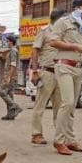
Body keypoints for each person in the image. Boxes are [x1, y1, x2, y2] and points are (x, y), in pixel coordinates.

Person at [48, 0, 82, 155]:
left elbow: (81, 47)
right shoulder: (63, 22)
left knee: (72, 107)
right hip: (64, 65)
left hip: (78, 67)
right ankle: (58, 141)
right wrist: (73, 46)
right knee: (67, 102)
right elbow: (53, 42)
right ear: (76, 8)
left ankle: (70, 140)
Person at [30, 8, 64, 144]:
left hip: (61, 73)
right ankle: (36, 134)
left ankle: (60, 136)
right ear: (57, 19)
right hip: (46, 73)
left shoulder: (63, 34)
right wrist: (35, 71)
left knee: (60, 107)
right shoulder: (44, 31)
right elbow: (35, 51)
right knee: (40, 105)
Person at [0, 35, 22, 120]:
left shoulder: (13, 51)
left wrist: (9, 77)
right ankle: (10, 115)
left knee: (2, 92)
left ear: (11, 42)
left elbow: (13, 65)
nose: (6, 43)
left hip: (10, 76)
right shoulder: (13, 51)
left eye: (7, 41)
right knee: (10, 94)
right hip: (12, 76)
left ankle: (15, 106)